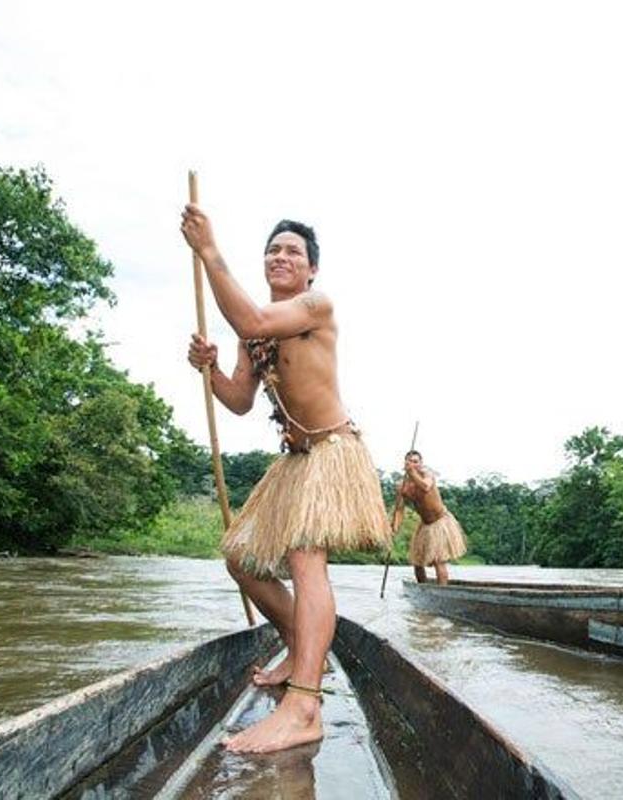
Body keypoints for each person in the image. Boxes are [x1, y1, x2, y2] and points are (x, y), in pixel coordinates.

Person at [181, 207, 389, 754]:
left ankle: (304, 706)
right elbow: (240, 402)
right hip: (294, 462)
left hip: (331, 453)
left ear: (311, 270)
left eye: (292, 251)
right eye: (273, 250)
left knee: (303, 558)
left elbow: (249, 320)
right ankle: (301, 648)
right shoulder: (258, 334)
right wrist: (210, 371)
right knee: (242, 560)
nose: (280, 256)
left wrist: (208, 251)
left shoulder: (314, 306)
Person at [391, 450, 467, 584]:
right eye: (410, 462)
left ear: (421, 464)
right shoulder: (402, 486)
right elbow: (399, 510)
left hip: (440, 522)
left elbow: (425, 486)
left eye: (416, 462)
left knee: (438, 560)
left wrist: (412, 472)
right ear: (405, 463)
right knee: (417, 562)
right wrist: (394, 529)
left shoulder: (428, 474)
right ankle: (423, 590)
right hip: (424, 525)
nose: (413, 464)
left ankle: (442, 591)